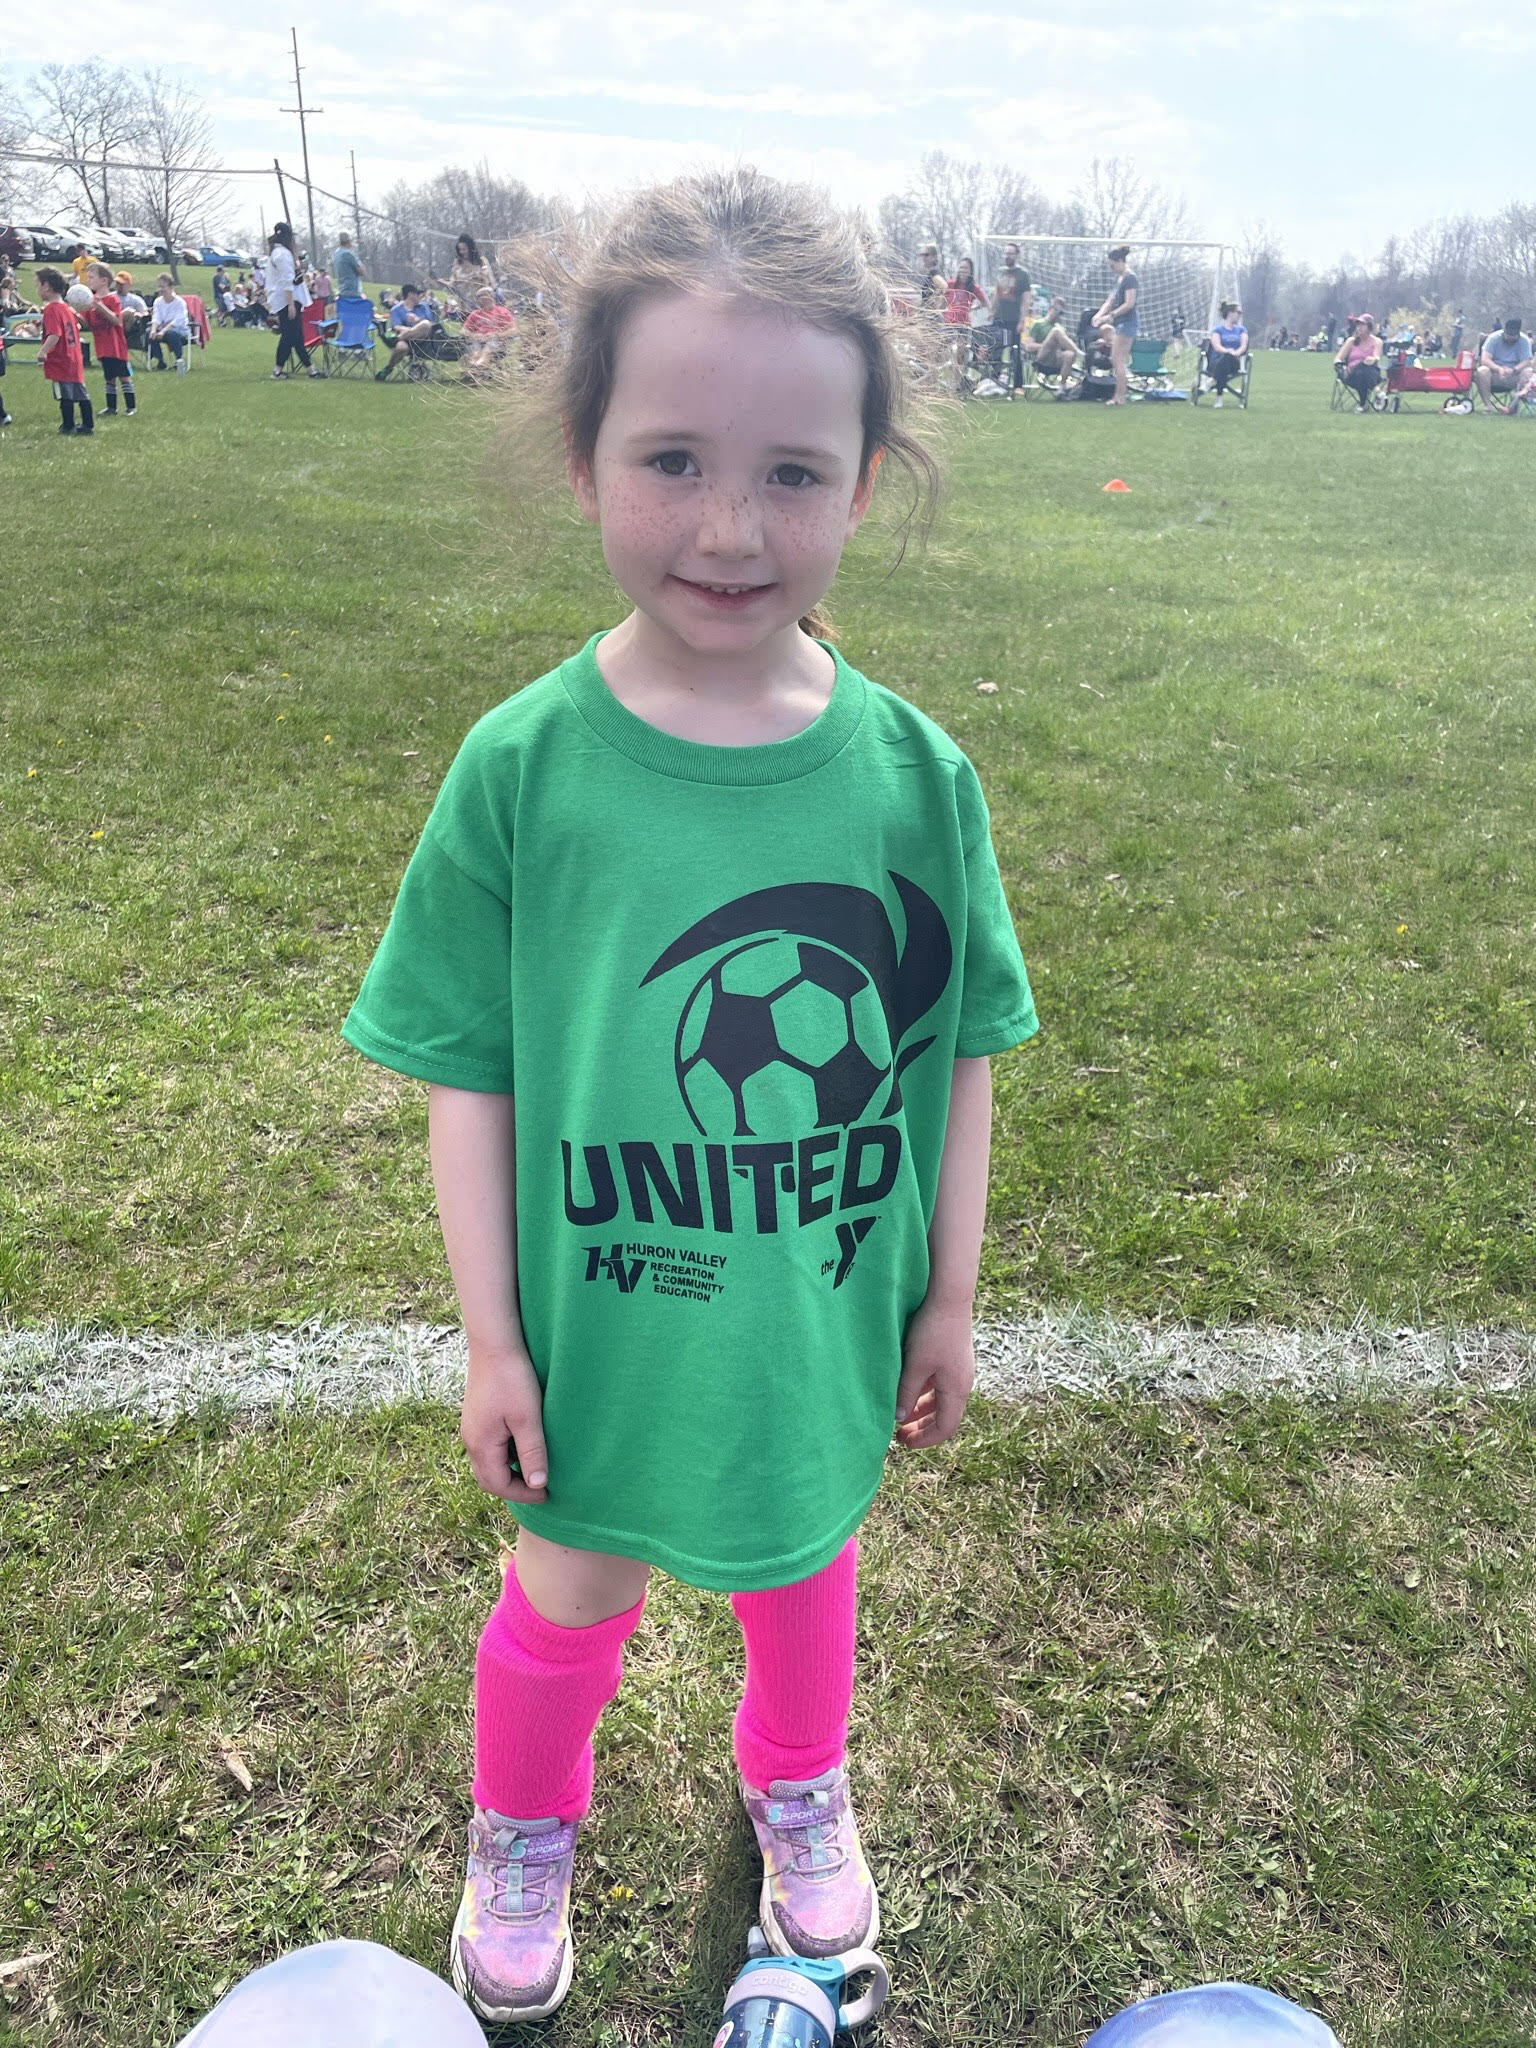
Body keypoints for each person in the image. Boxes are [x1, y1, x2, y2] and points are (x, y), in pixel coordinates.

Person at [339, 166, 1038, 2028]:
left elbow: (960, 1052)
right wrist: (493, 1336)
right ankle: (522, 1824)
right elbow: (472, 1078)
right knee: (565, 1590)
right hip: (603, 1326)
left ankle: (798, 1786)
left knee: (805, 1564)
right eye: (671, 460)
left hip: (817, 1315)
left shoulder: (914, 779)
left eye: (793, 474)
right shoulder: (521, 769)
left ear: (865, 482)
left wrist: (951, 1292)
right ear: (582, 459)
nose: (729, 526)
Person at [34, 267, 94, 435]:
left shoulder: (51, 309)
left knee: (64, 394)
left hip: (61, 358)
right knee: (80, 391)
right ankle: (88, 425)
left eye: (38, 285)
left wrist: (43, 351)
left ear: (47, 286)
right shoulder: (67, 308)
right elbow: (77, 325)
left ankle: (68, 425)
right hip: (74, 356)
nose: (38, 289)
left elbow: (55, 334)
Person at [266, 222, 321, 380]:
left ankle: (311, 369)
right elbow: (287, 281)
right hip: (288, 299)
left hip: (286, 298)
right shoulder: (283, 255)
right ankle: (277, 370)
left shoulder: (277, 253)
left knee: (296, 336)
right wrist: (291, 304)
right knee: (289, 336)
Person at [82, 261, 136, 417]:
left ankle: (131, 407)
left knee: (124, 377)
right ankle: (111, 408)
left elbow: (116, 320)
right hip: (102, 346)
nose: (88, 280)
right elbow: (88, 324)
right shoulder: (90, 300)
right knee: (109, 378)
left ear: (104, 281)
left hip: (116, 346)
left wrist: (98, 306)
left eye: (92, 277)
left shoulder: (112, 299)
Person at [1092, 243, 1138, 404]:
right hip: (1120, 324)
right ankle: (1119, 396)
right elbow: (1110, 300)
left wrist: (1110, 316)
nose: (1111, 269)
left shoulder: (1130, 278)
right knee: (1116, 360)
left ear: (1119, 261)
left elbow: (1129, 303)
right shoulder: (1120, 279)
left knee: (1117, 360)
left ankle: (1120, 396)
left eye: (1112, 266)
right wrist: (1099, 315)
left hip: (1128, 324)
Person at [374, 284, 438, 379]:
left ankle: (399, 338)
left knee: (425, 324)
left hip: (423, 340)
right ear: (411, 294)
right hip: (406, 341)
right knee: (401, 347)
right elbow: (396, 326)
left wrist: (417, 320)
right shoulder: (396, 309)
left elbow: (431, 323)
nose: (419, 297)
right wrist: (407, 330)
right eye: (417, 294)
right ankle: (388, 368)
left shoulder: (423, 306)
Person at [1475, 316, 1534, 413]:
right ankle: (1488, 405)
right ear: (1504, 332)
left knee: (1528, 372)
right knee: (1482, 370)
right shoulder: (1493, 338)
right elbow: (1485, 360)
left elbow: (1527, 361)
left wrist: (1514, 370)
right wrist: (1499, 369)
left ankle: (1513, 406)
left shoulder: (1524, 341)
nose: (1510, 338)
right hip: (1494, 374)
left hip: (1515, 375)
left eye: (1513, 336)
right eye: (1508, 335)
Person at [461, 284, 516, 379]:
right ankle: (477, 370)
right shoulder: (475, 314)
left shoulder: (502, 311)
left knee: (487, 350)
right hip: (478, 340)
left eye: (484, 296)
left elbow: (513, 330)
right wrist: (474, 335)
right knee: (475, 352)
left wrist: (498, 335)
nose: (482, 299)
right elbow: (463, 331)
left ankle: (475, 369)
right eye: (479, 297)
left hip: (497, 341)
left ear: (492, 297)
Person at [989, 258, 1028, 391]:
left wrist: (1022, 320)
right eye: (1006, 253)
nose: (1008, 256)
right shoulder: (1000, 272)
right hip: (999, 318)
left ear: (1016, 255)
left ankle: (1018, 385)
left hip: (1014, 319)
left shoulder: (1023, 274)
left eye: (1011, 253)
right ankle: (995, 380)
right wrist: (991, 311)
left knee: (1015, 352)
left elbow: (1026, 298)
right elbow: (996, 293)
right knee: (995, 349)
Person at [1024, 295, 1078, 382]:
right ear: (1050, 308)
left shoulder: (1062, 328)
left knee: (1070, 354)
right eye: (1056, 310)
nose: (1057, 314)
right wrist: (1048, 345)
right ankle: (1079, 353)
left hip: (1056, 358)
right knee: (1055, 331)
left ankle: (1062, 387)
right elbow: (1028, 346)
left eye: (1061, 313)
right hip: (1042, 358)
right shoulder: (1038, 324)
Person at [1333, 313, 1382, 408]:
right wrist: (1341, 367)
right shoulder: (1351, 341)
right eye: (1358, 325)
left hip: (1371, 373)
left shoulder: (1377, 342)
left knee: (1364, 368)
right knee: (1360, 369)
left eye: (1362, 325)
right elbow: (1338, 358)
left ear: (1369, 327)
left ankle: (1363, 404)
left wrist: (1372, 359)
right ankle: (1378, 392)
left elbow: (1377, 356)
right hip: (1351, 375)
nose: (1359, 328)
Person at [1205, 299, 1248, 405]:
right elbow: (1217, 346)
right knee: (1224, 362)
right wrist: (1227, 351)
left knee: (1228, 359)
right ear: (1230, 313)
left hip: (1234, 363)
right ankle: (1219, 398)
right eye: (1238, 312)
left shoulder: (1241, 330)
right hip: (1216, 361)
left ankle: (1213, 382)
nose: (1240, 315)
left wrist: (1235, 353)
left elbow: (1243, 346)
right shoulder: (1217, 330)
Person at [443, 232, 498, 314]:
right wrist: (444, 283)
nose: (462, 252)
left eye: (464, 249)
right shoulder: (458, 263)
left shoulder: (481, 261)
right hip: (465, 304)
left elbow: (490, 282)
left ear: (470, 247)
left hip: (482, 303)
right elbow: (453, 282)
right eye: (460, 250)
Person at [147, 274, 191, 371]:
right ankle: (160, 361)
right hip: (163, 330)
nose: (160, 289)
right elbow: (156, 317)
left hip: (180, 332)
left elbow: (177, 321)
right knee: (149, 333)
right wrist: (154, 330)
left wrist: (163, 331)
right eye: (159, 286)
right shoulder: (158, 301)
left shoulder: (180, 302)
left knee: (171, 333)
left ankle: (179, 360)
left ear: (171, 287)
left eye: (163, 286)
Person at [330, 230, 365, 300]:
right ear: (349, 241)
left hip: (342, 291)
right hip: (353, 292)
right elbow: (362, 272)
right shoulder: (349, 254)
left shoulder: (336, 254)